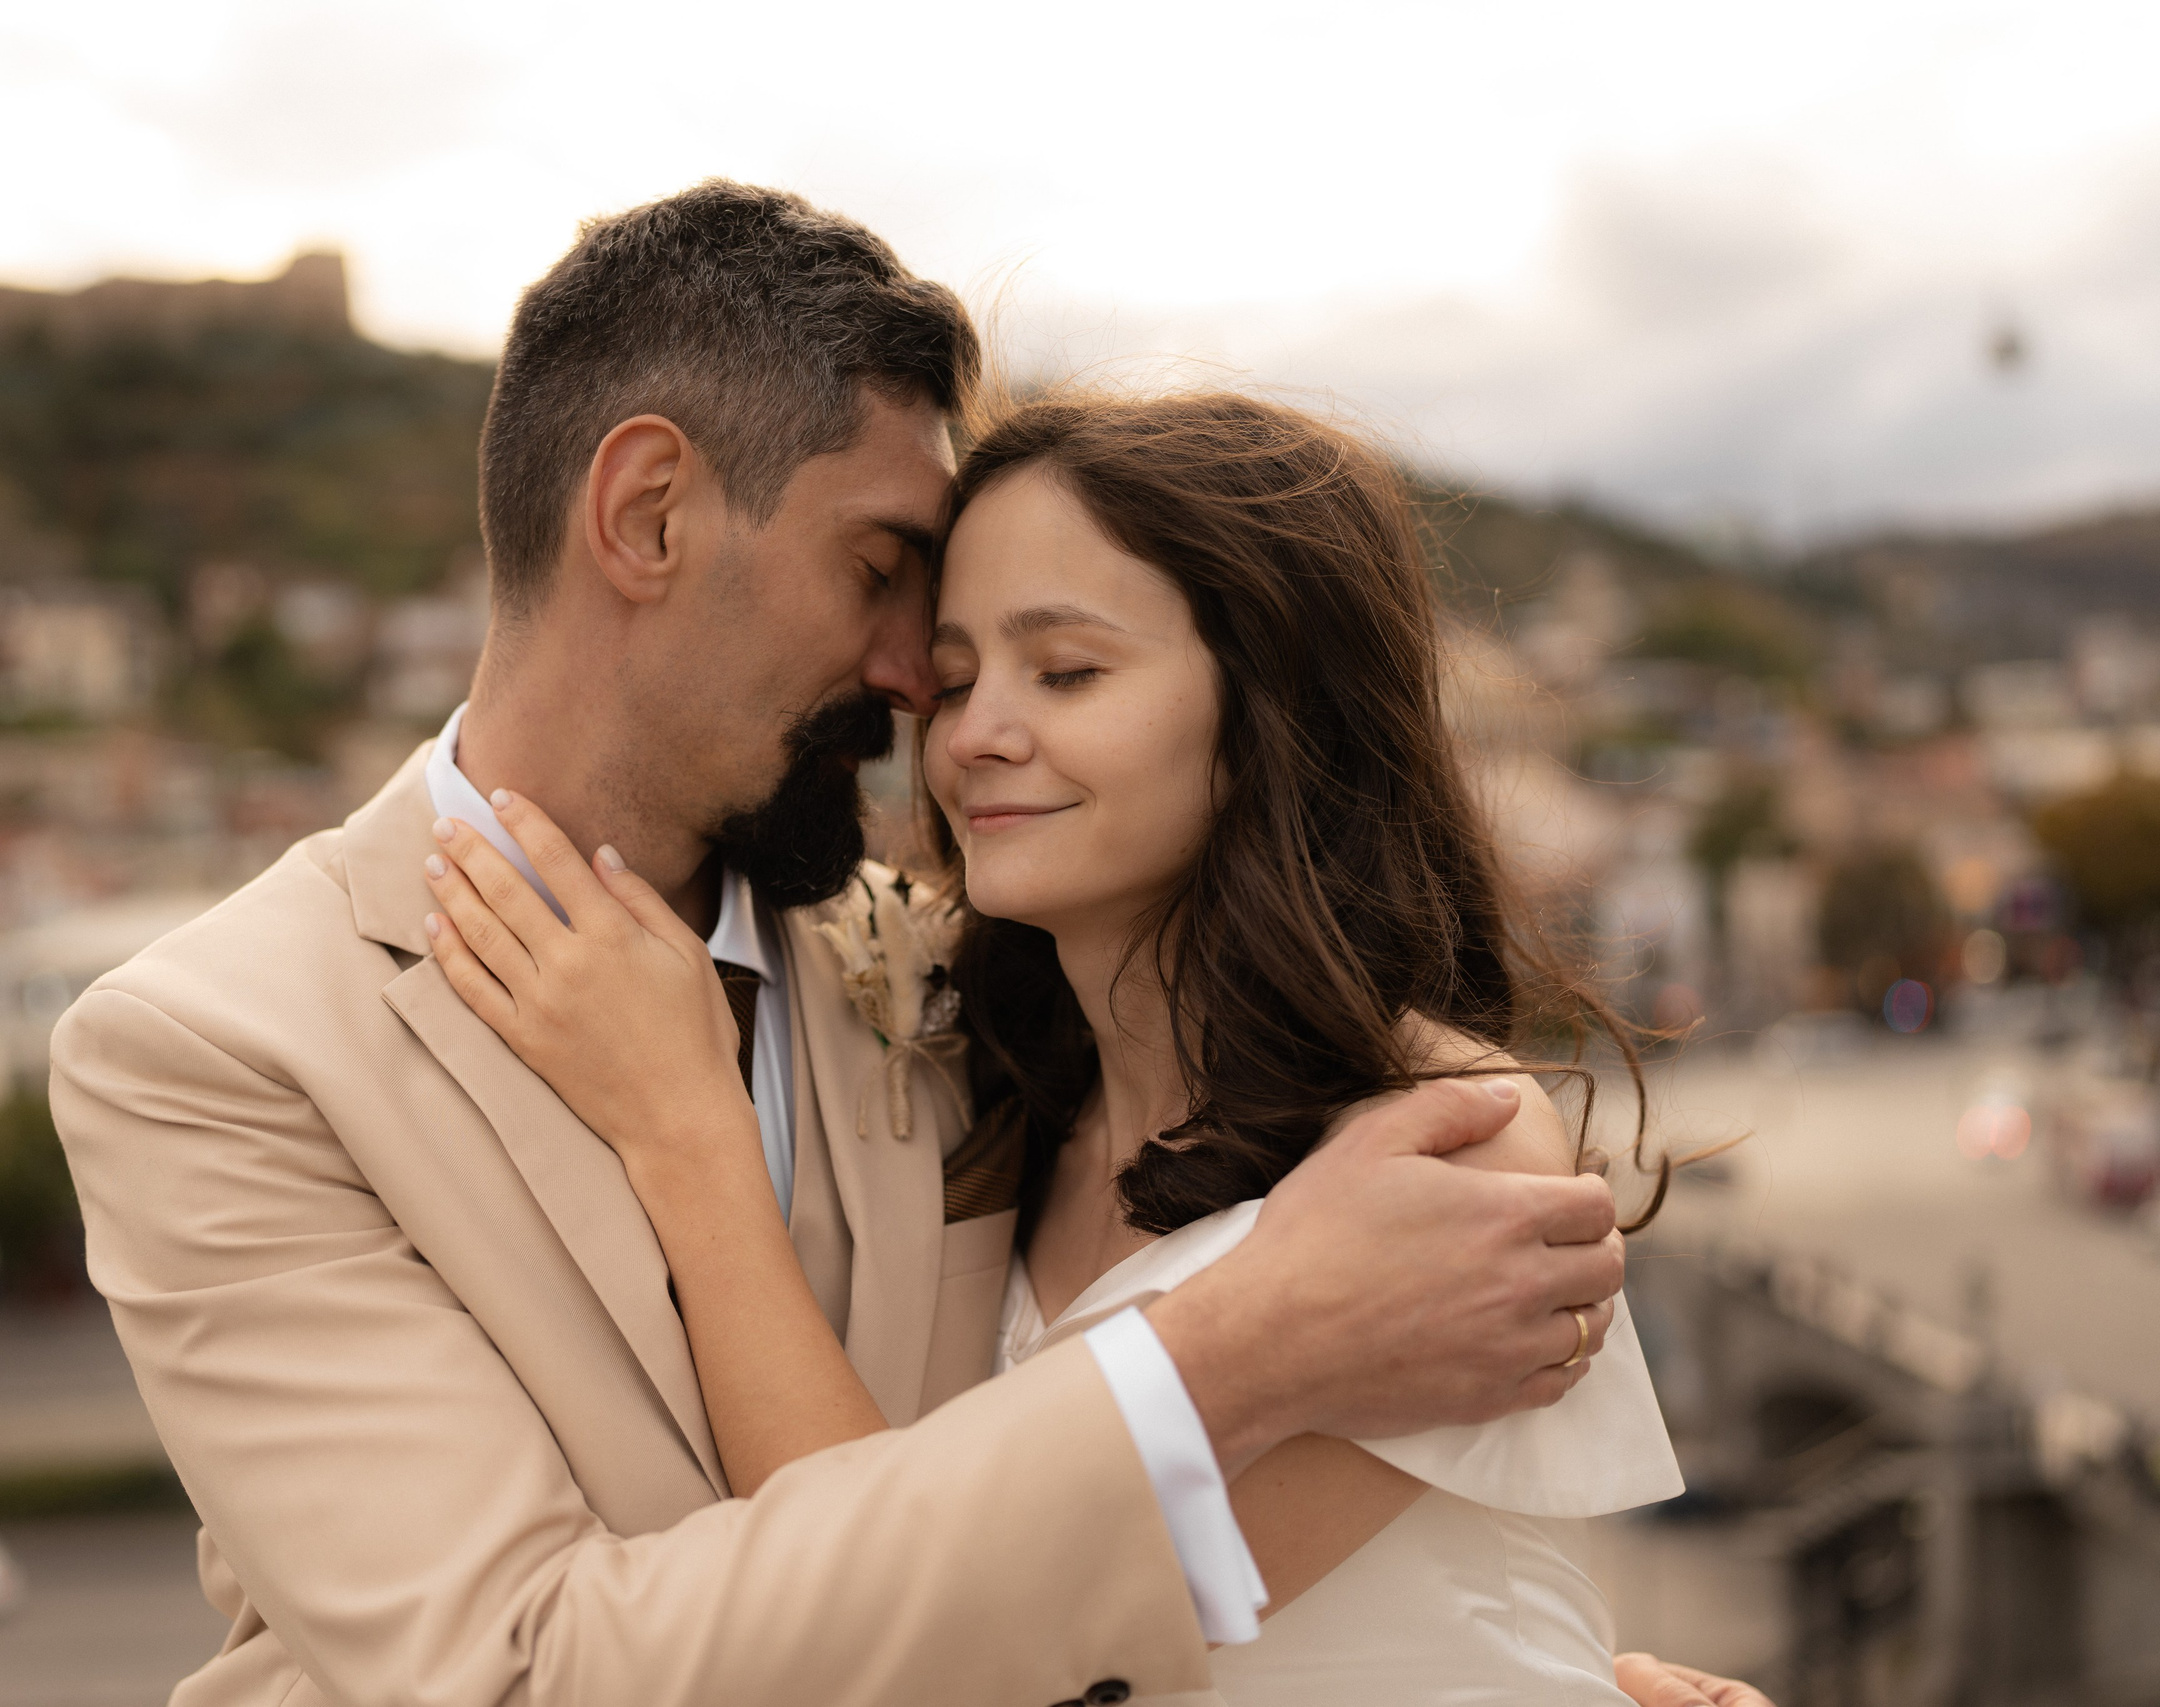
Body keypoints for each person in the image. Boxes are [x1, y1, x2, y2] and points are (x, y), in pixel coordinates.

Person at [49, 181, 1735, 1707]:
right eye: (886, 580)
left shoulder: (971, 974)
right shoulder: (223, 1048)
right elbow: (513, 1677)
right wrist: (1246, 1350)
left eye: (1046, 666)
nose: (928, 692)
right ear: (646, 516)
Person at [414, 387, 1744, 1703]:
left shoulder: (1449, 1140)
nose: (976, 734)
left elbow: (929, 1657)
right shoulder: (994, 1121)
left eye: (1067, 671)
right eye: (954, 678)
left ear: (1267, 715)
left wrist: (684, 1127)